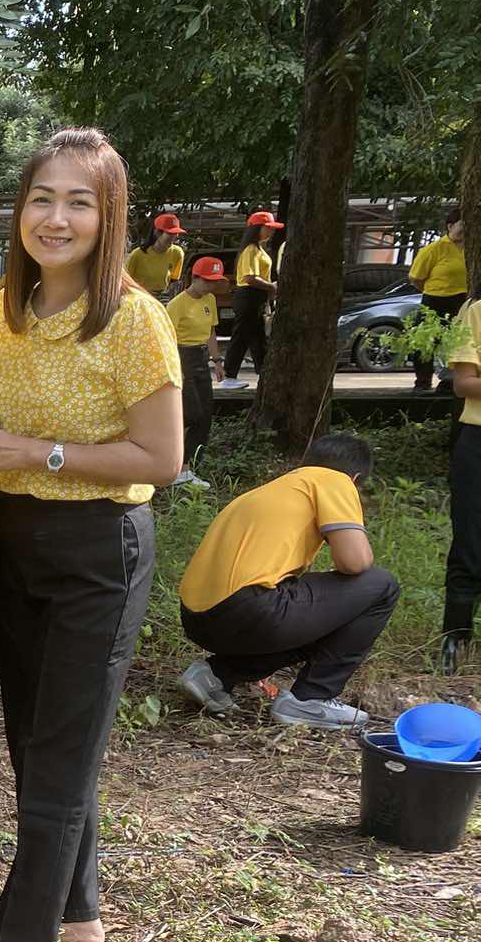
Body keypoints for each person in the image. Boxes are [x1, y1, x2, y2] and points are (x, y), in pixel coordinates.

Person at [0, 127, 182, 942]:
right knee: (35, 738)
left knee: (65, 749)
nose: (57, 217)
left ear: (110, 217)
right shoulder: (4, 306)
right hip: (16, 540)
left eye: (81, 201)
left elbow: (164, 454)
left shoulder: (136, 318)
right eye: (43, 198)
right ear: (19, 211)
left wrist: (36, 451)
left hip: (98, 550)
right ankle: (77, 911)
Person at [177, 433, 396, 726]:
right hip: (249, 609)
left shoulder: (274, 489)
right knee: (381, 586)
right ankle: (311, 699)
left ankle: (217, 675)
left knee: (322, 614)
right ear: (354, 478)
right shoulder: (334, 480)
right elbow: (355, 562)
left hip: (196, 617)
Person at [164, 255, 230, 486]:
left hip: (201, 357)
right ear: (195, 277)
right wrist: (175, 368)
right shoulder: (177, 304)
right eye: (208, 281)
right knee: (190, 413)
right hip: (182, 357)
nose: (211, 286)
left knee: (205, 415)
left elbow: (211, 332)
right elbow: (165, 339)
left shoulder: (209, 299)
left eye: (215, 281)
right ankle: (174, 467)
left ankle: (188, 468)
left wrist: (217, 361)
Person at [441, 296, 481, 673]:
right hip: (478, 441)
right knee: (470, 543)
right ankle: (455, 639)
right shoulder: (477, 311)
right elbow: (464, 383)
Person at [407, 205, 467, 395]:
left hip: (463, 301)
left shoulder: (472, 249)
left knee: (456, 343)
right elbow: (415, 278)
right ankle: (422, 382)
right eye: (461, 224)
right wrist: (433, 291)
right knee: (425, 342)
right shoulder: (434, 249)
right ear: (450, 226)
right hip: (435, 300)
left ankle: (449, 382)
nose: (465, 229)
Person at [219, 210, 282, 388]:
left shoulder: (258, 249)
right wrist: (272, 286)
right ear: (256, 228)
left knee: (258, 338)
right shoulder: (251, 250)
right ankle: (229, 376)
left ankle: (264, 374)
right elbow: (249, 278)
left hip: (256, 297)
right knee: (241, 336)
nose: (270, 232)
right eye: (267, 228)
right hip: (248, 295)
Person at [125, 211, 187, 300]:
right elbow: (125, 282)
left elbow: (173, 280)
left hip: (162, 298)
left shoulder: (178, 253)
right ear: (157, 233)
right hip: (139, 297)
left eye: (176, 233)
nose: (173, 237)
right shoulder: (137, 255)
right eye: (170, 233)